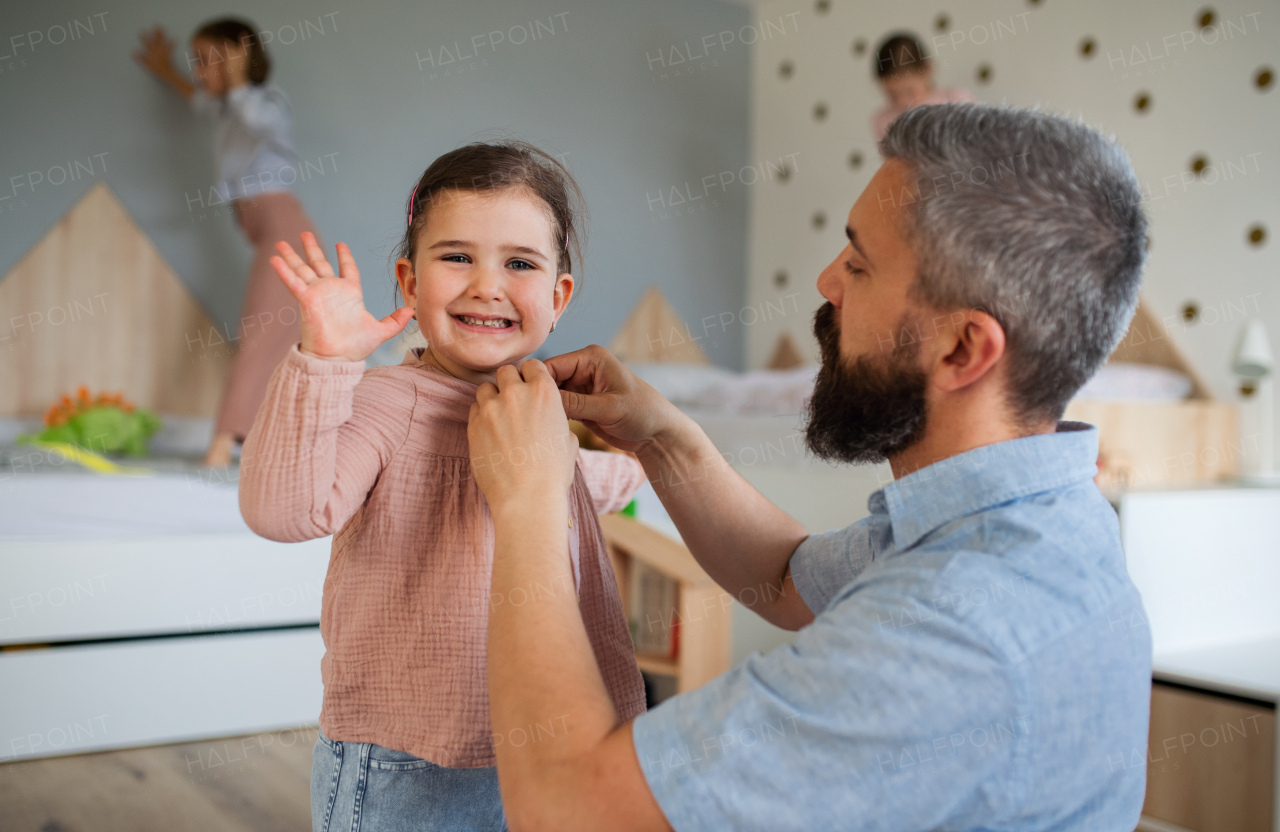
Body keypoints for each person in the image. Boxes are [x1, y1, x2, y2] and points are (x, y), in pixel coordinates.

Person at [466, 103, 1153, 831]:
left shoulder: (955, 629)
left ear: (961, 350)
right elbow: (789, 579)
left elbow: (567, 811)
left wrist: (529, 500)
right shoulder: (1035, 519)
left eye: (859, 263)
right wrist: (660, 435)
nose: (827, 280)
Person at [237, 143, 647, 832]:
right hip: (412, 756)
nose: (487, 284)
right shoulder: (386, 401)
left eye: (519, 263)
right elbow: (285, 511)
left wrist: (641, 456)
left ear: (558, 296)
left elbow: (574, 485)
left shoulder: (542, 405)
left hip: (556, 741)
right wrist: (324, 362)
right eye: (457, 257)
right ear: (408, 281)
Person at [134, 19, 321, 466]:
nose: (199, 71)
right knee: (284, 338)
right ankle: (266, 439)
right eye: (196, 61)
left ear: (239, 52)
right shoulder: (223, 108)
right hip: (266, 230)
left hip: (284, 228)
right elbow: (199, 102)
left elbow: (256, 121)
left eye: (207, 59)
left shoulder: (267, 103)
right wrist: (168, 70)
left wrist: (235, 74)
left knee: (261, 332)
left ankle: (223, 444)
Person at [871, 32, 975, 141]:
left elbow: (971, 145)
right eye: (892, 94)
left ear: (926, 70)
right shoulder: (884, 120)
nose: (903, 101)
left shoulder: (957, 100)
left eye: (909, 91)